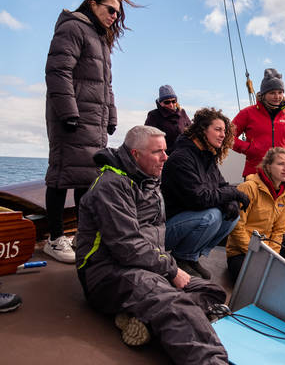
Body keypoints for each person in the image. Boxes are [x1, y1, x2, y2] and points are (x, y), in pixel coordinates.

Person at [75, 125, 228, 364]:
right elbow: (127, 246)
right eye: (158, 152)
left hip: (146, 267)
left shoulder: (149, 179)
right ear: (136, 155)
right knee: (176, 304)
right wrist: (171, 269)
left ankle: (142, 318)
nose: (166, 157)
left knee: (213, 292)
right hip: (107, 274)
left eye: (165, 151)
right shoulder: (111, 186)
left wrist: (165, 270)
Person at [44, 0, 138, 263]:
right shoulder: (73, 27)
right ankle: (55, 238)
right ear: (93, 4)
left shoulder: (100, 38)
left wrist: (111, 116)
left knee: (88, 177)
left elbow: (105, 85)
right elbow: (57, 70)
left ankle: (80, 236)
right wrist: (68, 112)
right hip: (71, 117)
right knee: (61, 174)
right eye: (110, 10)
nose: (113, 16)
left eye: (117, 14)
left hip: (94, 120)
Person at [161, 108, 249, 280]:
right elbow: (200, 198)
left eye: (224, 130)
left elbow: (221, 185)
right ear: (202, 130)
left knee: (232, 215)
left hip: (187, 222)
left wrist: (231, 201)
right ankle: (181, 257)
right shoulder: (182, 157)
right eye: (217, 129)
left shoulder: (206, 156)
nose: (223, 135)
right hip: (167, 229)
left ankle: (192, 258)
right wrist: (233, 193)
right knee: (212, 216)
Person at [226, 147, 285, 281]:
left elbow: (279, 230)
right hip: (241, 253)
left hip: (266, 251)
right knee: (253, 280)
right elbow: (236, 226)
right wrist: (255, 253)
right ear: (268, 166)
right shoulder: (249, 188)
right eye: (280, 164)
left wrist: (271, 254)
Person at [232, 68, 285, 178]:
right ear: (263, 94)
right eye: (272, 93)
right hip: (255, 174)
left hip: (281, 176)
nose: (277, 96)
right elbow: (228, 136)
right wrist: (249, 149)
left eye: (280, 92)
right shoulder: (247, 113)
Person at [144, 84, 191, 154]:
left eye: (173, 101)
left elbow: (191, 131)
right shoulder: (154, 115)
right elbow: (147, 137)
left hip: (185, 154)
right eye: (167, 102)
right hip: (165, 157)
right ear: (161, 103)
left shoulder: (182, 113)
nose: (171, 104)